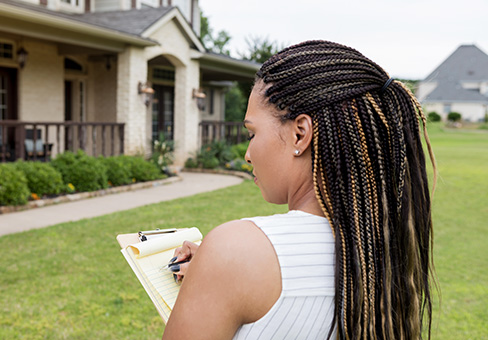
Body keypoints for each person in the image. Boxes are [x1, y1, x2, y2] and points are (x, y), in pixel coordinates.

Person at [162, 40, 437, 340]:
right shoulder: (382, 249)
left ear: (300, 134)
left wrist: (217, 267)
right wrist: (211, 272)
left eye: (252, 133)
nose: (247, 154)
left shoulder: (233, 251)